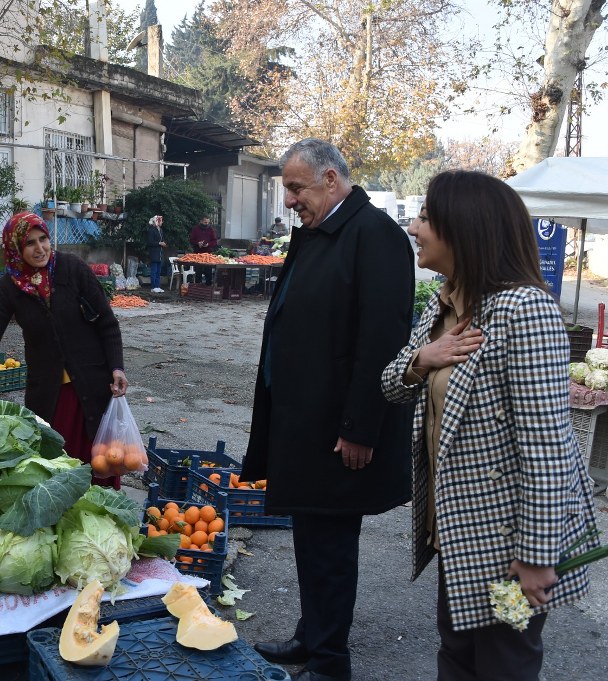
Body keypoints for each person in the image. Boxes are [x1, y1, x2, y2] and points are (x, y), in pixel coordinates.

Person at [380, 170, 600, 681]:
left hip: (507, 544)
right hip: (456, 534)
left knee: (504, 666)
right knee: (456, 657)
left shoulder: (525, 310)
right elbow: (390, 384)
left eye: (427, 218)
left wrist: (536, 557)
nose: (414, 228)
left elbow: (547, 446)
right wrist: (424, 359)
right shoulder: (446, 300)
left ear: (465, 229)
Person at [242, 139, 414, 681]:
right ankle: (310, 636)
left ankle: (329, 662)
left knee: (332, 545)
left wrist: (362, 427)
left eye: (296, 188)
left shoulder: (375, 237)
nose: (290, 200)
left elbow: (381, 342)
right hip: (305, 422)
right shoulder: (321, 232)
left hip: (341, 431)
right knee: (310, 538)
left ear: (332, 180)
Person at [0, 212, 129, 488]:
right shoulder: (10, 287)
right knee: (55, 474)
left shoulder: (73, 270)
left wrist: (117, 367)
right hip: (50, 396)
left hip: (93, 389)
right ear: (15, 249)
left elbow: (107, 324)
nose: (40, 249)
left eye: (43, 239)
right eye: (30, 244)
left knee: (98, 473)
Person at [188, 215, 218, 284]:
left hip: (208, 254)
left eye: (208, 222)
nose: (206, 224)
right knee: (198, 271)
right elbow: (191, 240)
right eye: (205, 222)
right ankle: (198, 286)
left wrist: (208, 244)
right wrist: (197, 243)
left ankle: (208, 286)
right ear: (201, 221)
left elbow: (214, 241)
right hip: (198, 253)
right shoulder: (195, 229)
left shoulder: (211, 229)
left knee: (208, 271)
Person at [147, 215, 167, 293]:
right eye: (161, 221)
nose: (162, 222)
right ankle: (153, 286)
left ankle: (157, 286)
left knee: (159, 271)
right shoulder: (151, 230)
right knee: (154, 271)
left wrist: (164, 243)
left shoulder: (160, 230)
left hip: (160, 253)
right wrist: (159, 243)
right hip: (154, 253)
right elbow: (150, 242)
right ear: (157, 221)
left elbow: (162, 240)